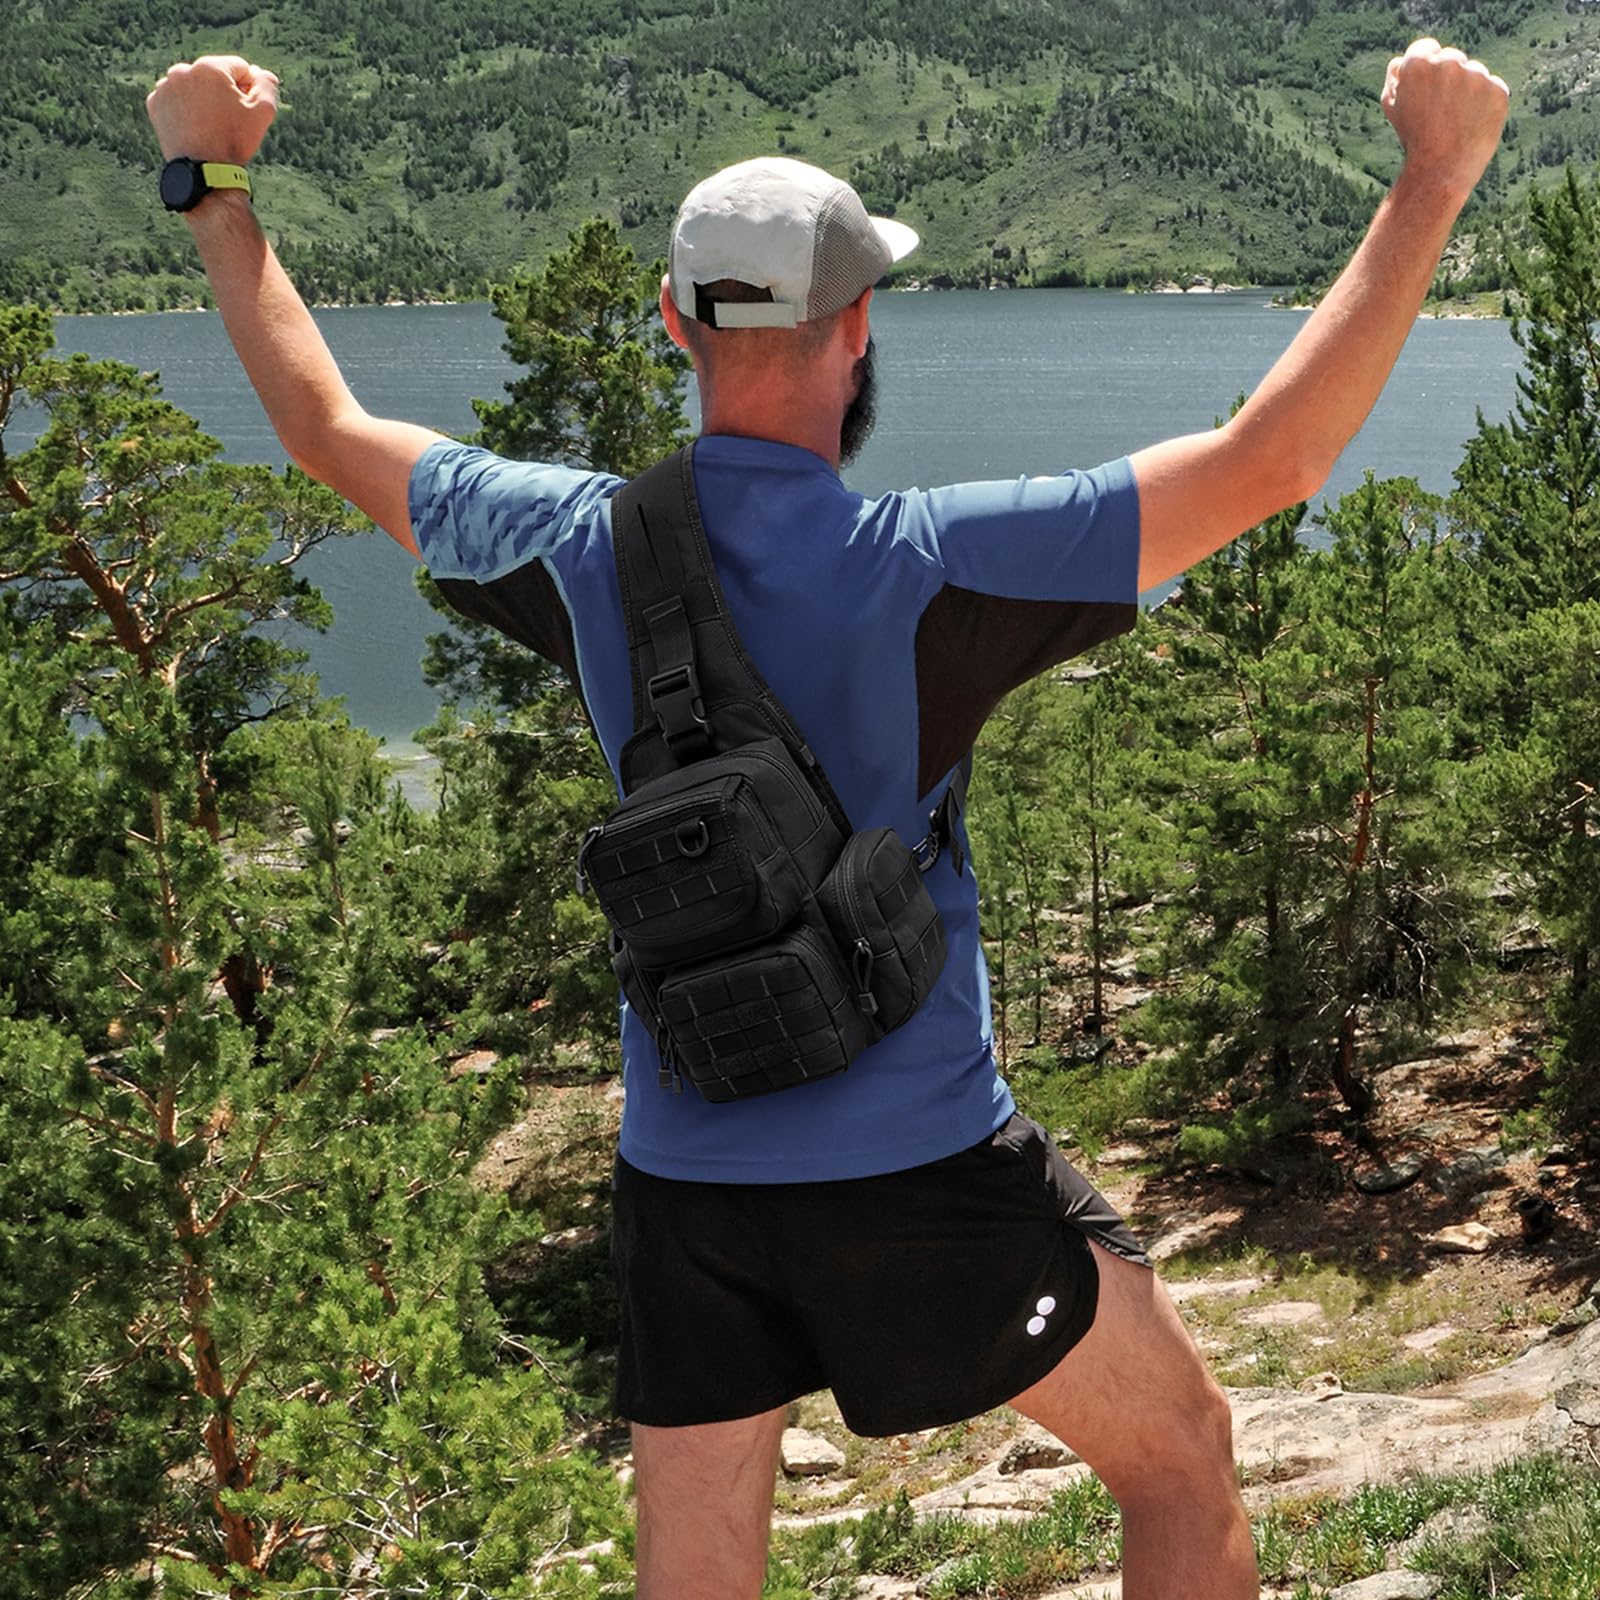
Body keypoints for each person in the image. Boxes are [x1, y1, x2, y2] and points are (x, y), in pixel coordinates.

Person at [147, 40, 1507, 1600]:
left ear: (673, 323)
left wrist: (214, 186)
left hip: (686, 1179)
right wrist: (1432, 175)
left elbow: (326, 428)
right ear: (858, 328)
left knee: (700, 1569)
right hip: (922, 1170)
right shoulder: (934, 567)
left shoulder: (580, 549)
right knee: (1180, 1454)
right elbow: (1277, 459)